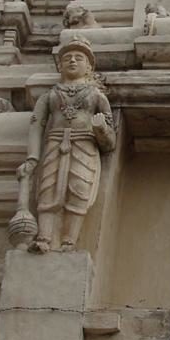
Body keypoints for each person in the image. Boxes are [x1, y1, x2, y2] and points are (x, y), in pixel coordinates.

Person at [17, 37, 115, 253]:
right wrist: (32, 158)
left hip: (85, 144)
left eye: (79, 58)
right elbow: (36, 125)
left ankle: (69, 241)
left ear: (88, 67)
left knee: (79, 189)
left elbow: (110, 141)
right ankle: (44, 238)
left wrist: (101, 129)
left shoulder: (96, 96)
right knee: (47, 189)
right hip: (54, 144)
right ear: (59, 66)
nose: (72, 61)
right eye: (67, 58)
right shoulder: (50, 95)